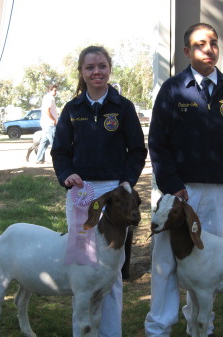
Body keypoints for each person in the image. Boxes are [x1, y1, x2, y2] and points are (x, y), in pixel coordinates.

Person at [145, 23, 223, 337]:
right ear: (186, 52)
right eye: (200, 44)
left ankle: (200, 324)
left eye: (213, 43)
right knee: (166, 260)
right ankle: (159, 326)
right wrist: (171, 183)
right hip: (179, 192)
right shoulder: (173, 89)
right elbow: (158, 142)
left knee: (205, 260)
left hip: (216, 191)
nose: (208, 49)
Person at [51, 45, 147, 337]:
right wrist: (67, 175)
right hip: (82, 192)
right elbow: (60, 151)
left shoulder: (123, 107)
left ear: (109, 69)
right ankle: (82, 331)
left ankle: (110, 332)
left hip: (115, 194)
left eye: (102, 66)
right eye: (90, 67)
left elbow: (137, 150)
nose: (97, 72)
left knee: (111, 269)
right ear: (81, 72)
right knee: (83, 264)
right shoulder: (72, 109)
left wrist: (126, 182)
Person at [36, 84, 58, 164]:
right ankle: (58, 160)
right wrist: (54, 119)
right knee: (54, 142)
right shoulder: (50, 98)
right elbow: (47, 110)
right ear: (50, 90)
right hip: (49, 123)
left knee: (44, 141)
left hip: (45, 123)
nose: (56, 92)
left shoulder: (47, 97)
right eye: (54, 90)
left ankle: (39, 159)